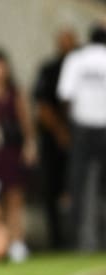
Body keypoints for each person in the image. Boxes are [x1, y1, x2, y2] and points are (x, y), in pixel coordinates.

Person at [0, 49, 37, 262]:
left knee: (14, 200)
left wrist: (29, 145)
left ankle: (18, 242)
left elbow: (25, 123)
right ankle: (0, 243)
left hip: (10, 152)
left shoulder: (14, 94)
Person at [57, 23, 106, 252]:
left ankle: (78, 240)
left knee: (79, 184)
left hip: (83, 127)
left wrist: (71, 125)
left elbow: (65, 95)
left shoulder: (76, 59)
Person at [33, 28, 77, 250]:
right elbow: (43, 105)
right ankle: (57, 240)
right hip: (53, 140)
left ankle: (79, 238)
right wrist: (61, 133)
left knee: (79, 189)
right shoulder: (50, 69)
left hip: (81, 138)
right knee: (52, 188)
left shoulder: (81, 65)